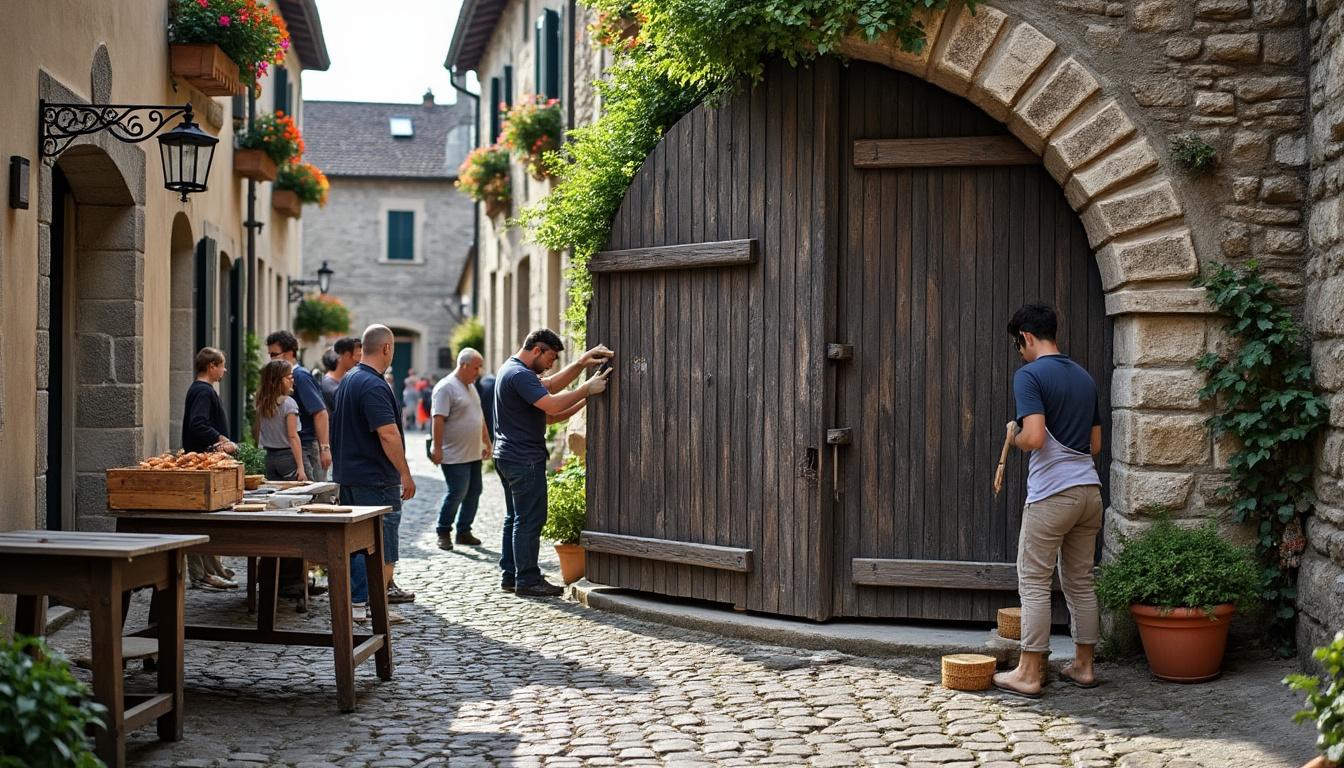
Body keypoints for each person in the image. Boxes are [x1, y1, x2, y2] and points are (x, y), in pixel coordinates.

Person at [993, 303, 1104, 698]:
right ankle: (1085, 665)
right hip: (1089, 494)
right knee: (1080, 582)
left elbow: (1035, 438)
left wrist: (1015, 436)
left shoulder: (1029, 376)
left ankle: (1029, 672)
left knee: (1035, 582)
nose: (1019, 353)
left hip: (1051, 496)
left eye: (1017, 345)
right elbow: (1094, 446)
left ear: (1025, 337)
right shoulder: (1085, 378)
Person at [494, 329, 612, 597]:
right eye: (551, 357)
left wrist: (581, 368)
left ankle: (511, 575)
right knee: (529, 520)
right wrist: (585, 389)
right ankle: (527, 580)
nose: (552, 364)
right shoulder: (520, 375)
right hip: (524, 458)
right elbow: (551, 405)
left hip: (508, 456)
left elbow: (551, 399)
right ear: (538, 349)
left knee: (515, 518)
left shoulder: (512, 371)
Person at [332, 324, 418, 622]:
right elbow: (388, 435)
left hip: (350, 475)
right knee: (382, 543)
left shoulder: (349, 379)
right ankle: (374, 606)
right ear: (386, 349)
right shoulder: (374, 384)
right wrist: (405, 474)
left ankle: (359, 604)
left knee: (357, 543)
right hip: (374, 478)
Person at [181, 347, 239, 591]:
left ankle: (212, 569)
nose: (225, 370)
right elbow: (198, 424)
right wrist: (220, 440)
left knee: (204, 520)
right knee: (201, 521)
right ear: (212, 365)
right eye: (222, 365)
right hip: (202, 465)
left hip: (203, 462)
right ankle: (201, 575)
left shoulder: (201, 390)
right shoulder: (203, 391)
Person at [431, 348, 491, 551]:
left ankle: (464, 531)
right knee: (457, 492)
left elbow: (479, 416)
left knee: (475, 491)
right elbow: (438, 419)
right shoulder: (446, 387)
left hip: (473, 452)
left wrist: (486, 442)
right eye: (476, 367)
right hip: (453, 454)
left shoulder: (470, 386)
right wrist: (436, 447)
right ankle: (443, 530)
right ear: (464, 365)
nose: (478, 372)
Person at [265, 330, 331, 482]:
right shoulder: (279, 379)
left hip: (305, 446)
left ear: (289, 353)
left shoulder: (299, 376)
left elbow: (320, 412)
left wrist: (325, 448)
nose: (271, 359)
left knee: (313, 496)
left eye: (274, 354)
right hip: (288, 450)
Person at [253, 360, 308, 482]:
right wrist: (301, 467)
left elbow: (257, 430)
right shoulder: (289, 404)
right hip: (287, 457)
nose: (292, 380)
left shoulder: (262, 402)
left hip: (268, 457)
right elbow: (293, 436)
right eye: (290, 377)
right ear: (281, 381)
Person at [322, 336, 362, 414]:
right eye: (357, 355)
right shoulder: (328, 383)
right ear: (347, 355)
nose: (358, 360)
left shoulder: (349, 377)